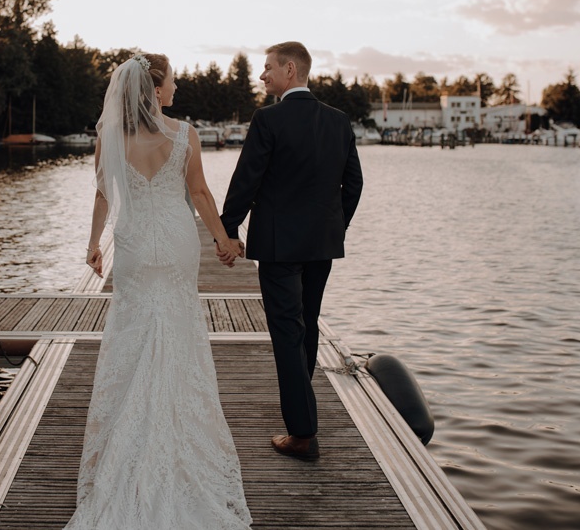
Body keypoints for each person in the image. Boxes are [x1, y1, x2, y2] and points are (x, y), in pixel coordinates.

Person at [67, 53, 252, 529]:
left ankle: (129, 441)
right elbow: (201, 195)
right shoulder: (183, 134)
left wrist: (93, 246)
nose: (176, 90)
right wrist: (223, 240)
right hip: (174, 240)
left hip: (131, 247)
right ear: (154, 90)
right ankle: (175, 432)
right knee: (176, 327)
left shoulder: (109, 139)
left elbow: (103, 195)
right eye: (171, 83)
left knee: (132, 333)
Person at [218, 41, 363, 462]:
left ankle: (302, 433)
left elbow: (247, 179)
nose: (262, 76)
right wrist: (334, 227)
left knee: (287, 332)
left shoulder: (269, 119)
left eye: (267, 68)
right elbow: (353, 185)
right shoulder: (338, 121)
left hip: (280, 247)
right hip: (322, 245)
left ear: (290, 70)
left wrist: (227, 230)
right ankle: (303, 409)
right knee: (308, 324)